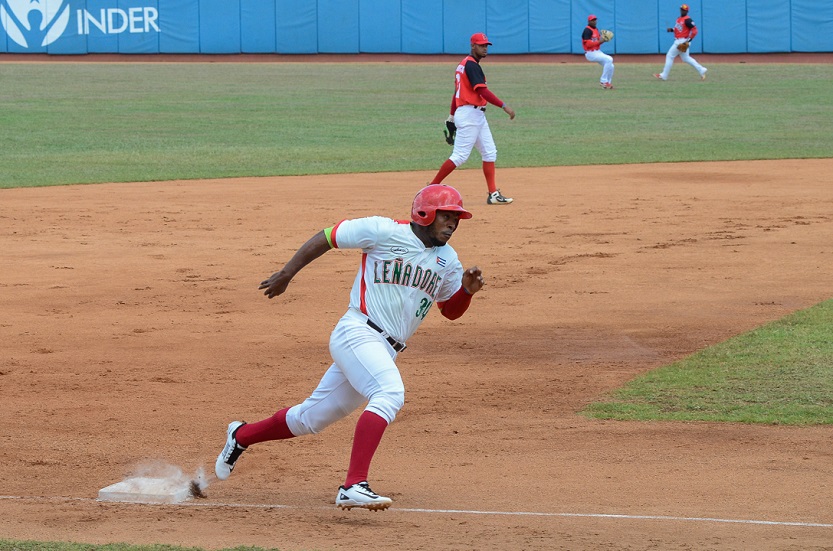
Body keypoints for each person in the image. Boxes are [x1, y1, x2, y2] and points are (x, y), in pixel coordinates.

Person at [214, 184, 485, 511]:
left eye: (457, 218)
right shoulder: (383, 231)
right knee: (389, 393)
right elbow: (328, 236)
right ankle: (354, 484)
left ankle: (240, 436)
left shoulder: (449, 261)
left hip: (385, 349)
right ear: (425, 212)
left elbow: (450, 310)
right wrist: (287, 273)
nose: (453, 223)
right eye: (447, 215)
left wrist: (466, 292)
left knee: (309, 418)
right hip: (357, 332)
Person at [430, 32, 516, 206]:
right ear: (473, 46)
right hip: (470, 114)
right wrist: (503, 106)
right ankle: (431, 188)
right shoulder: (471, 65)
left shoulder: (463, 65)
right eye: (481, 45)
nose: (485, 48)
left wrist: (452, 116)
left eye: (486, 45)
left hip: (473, 114)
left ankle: (493, 194)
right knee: (460, 156)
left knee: (490, 152)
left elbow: (457, 94)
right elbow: (482, 91)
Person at [654, 4, 708, 81]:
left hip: (682, 41)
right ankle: (701, 69)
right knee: (686, 58)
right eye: (682, 9)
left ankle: (664, 75)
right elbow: (678, 29)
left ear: (687, 11)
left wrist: (688, 41)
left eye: (684, 10)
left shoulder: (688, 20)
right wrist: (672, 30)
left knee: (669, 56)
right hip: (680, 40)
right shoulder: (679, 19)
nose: (682, 11)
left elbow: (695, 31)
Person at [582, 14, 615, 90]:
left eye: (595, 20)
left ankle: (607, 83)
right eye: (592, 20)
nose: (594, 21)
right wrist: (600, 41)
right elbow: (588, 44)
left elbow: (598, 41)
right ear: (589, 21)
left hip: (597, 51)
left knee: (611, 66)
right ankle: (603, 81)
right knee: (609, 59)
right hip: (590, 53)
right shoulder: (587, 30)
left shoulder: (596, 29)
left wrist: (604, 40)